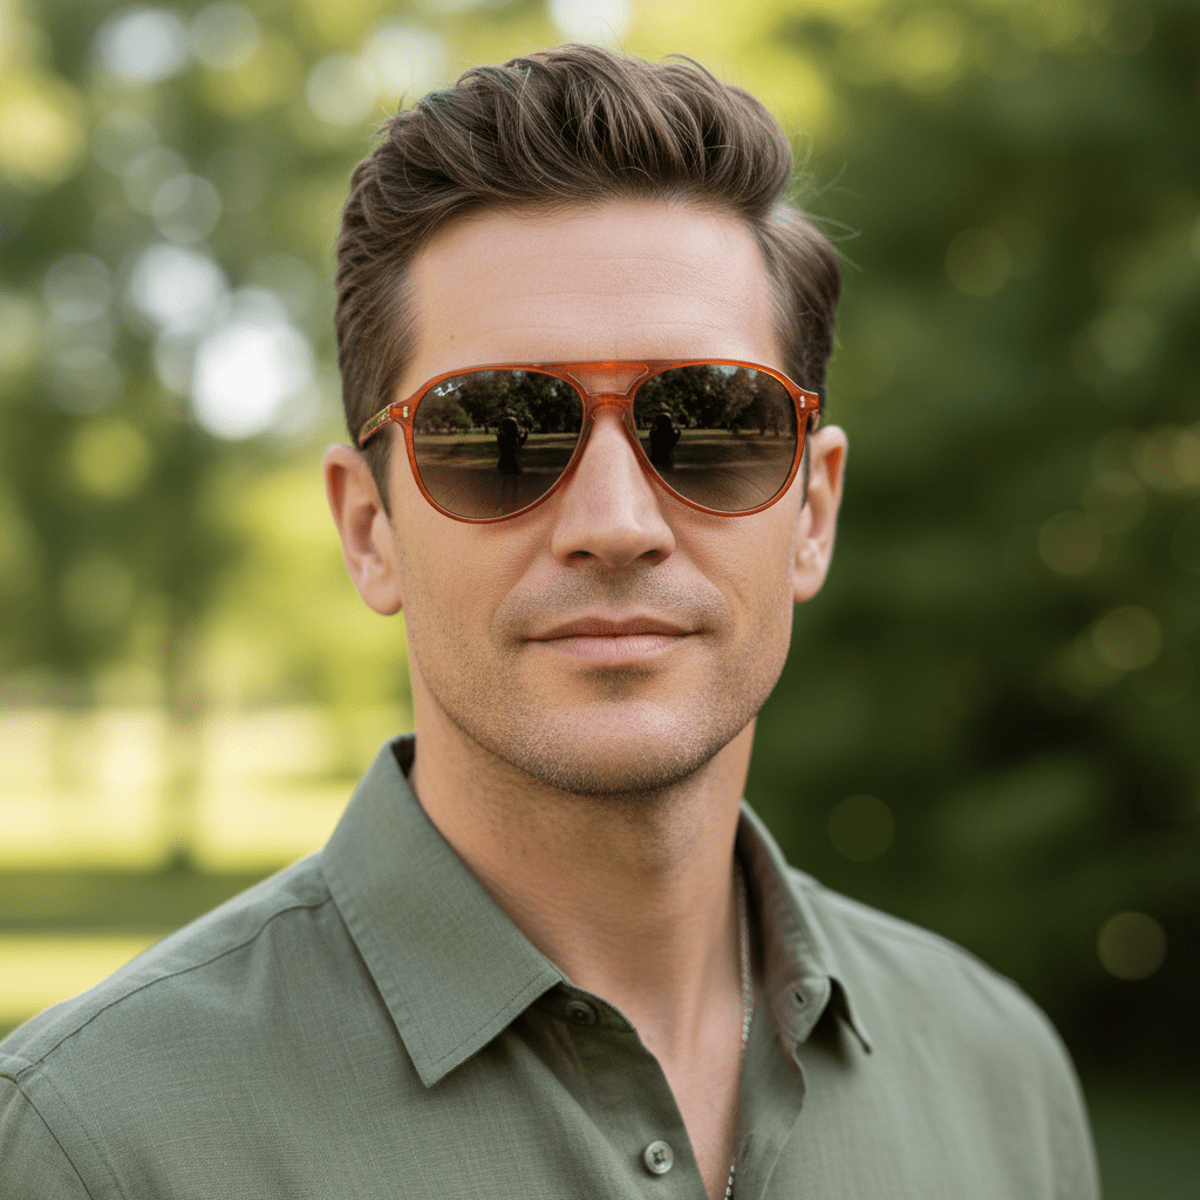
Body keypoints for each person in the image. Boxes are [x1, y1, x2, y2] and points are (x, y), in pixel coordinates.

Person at [0, 45, 1100, 1199]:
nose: (616, 523)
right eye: (495, 431)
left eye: (712, 421)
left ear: (813, 511)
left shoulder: (1001, 1076)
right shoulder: (94, 1145)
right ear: (369, 527)